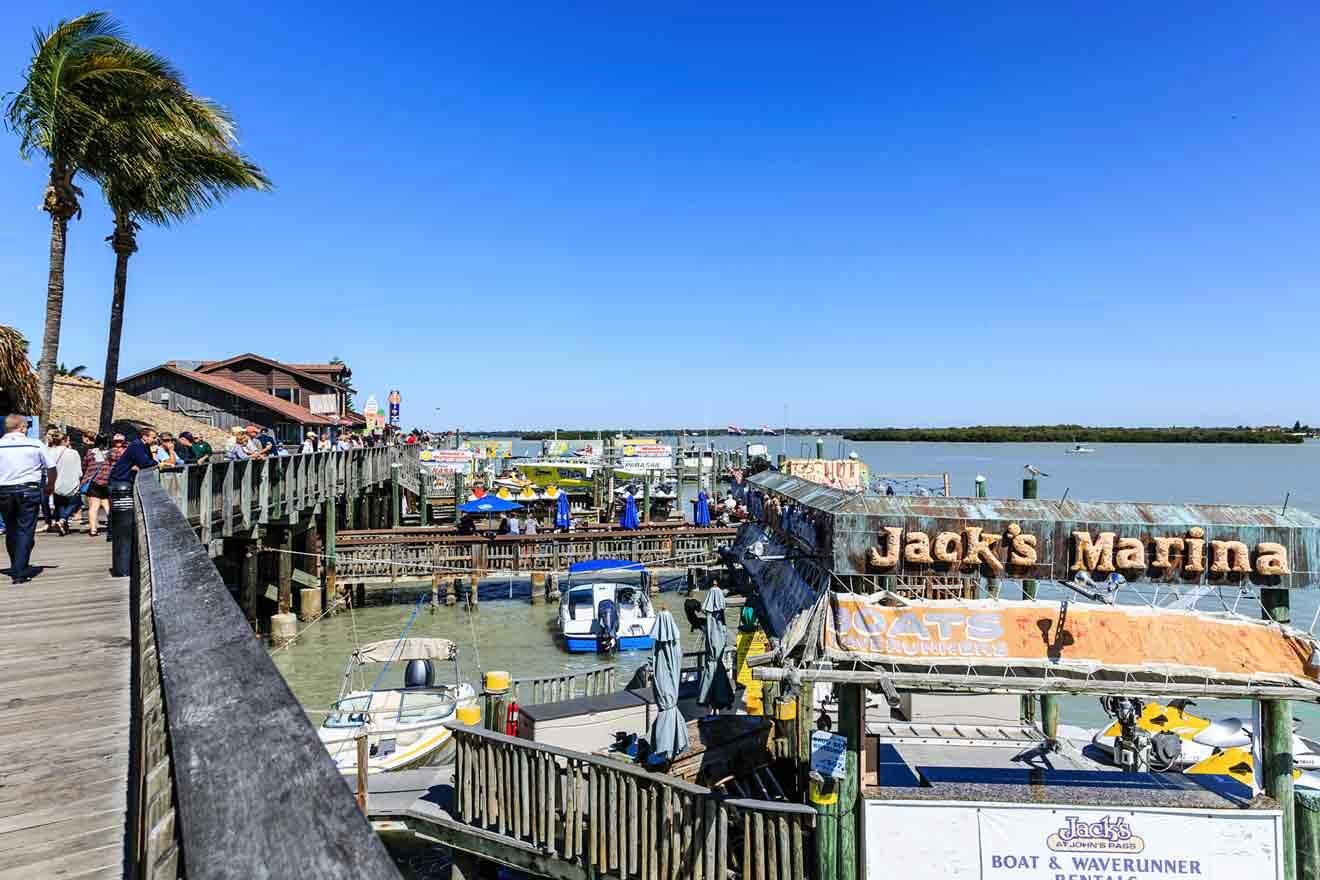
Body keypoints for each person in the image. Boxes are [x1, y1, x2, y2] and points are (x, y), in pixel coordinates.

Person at [0, 414, 58, 584]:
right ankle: (19, 570)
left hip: (4, 491)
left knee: (11, 529)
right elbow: (51, 467)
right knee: (25, 530)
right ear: (22, 428)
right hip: (29, 490)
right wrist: (50, 485)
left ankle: (16, 565)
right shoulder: (35, 444)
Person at [108, 428, 157, 577]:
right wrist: (154, 456)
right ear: (144, 436)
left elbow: (146, 462)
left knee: (123, 522)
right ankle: (121, 567)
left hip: (123, 482)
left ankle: (122, 566)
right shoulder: (136, 445)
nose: (155, 440)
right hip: (119, 482)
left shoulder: (142, 446)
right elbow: (145, 463)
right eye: (153, 437)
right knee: (120, 520)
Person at [82, 434, 119, 537]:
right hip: (108, 481)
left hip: (94, 481)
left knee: (93, 506)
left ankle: (93, 529)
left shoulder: (90, 453)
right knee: (108, 505)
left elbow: (84, 466)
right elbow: (118, 465)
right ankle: (112, 527)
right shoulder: (114, 453)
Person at [46, 431, 83, 535]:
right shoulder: (73, 453)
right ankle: (62, 520)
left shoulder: (50, 452)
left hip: (56, 483)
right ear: (65, 441)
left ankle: (63, 526)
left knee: (60, 505)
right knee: (75, 503)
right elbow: (79, 471)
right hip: (71, 482)